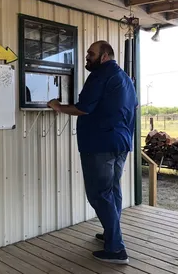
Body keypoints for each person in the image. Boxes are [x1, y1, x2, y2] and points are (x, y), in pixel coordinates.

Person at [47, 40, 137, 265]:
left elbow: (83, 108)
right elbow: (132, 107)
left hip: (100, 144)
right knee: (112, 191)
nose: (87, 57)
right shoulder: (126, 78)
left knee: (99, 194)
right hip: (121, 143)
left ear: (105, 56)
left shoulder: (100, 75)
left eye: (91, 53)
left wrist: (57, 106)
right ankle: (110, 234)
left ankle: (116, 249)